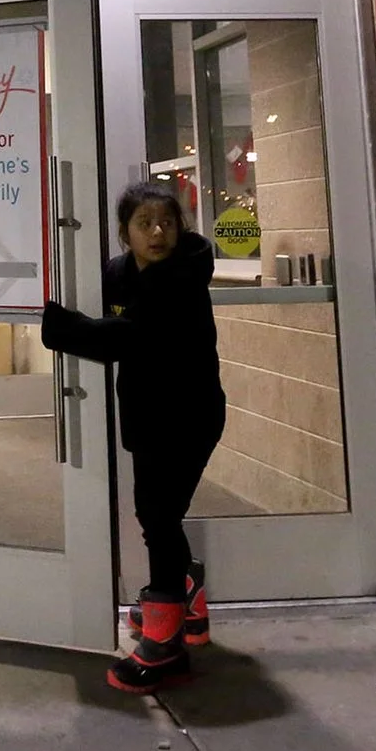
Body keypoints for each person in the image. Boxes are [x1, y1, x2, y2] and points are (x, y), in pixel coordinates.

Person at [40, 180, 225, 692]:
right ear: (125, 232)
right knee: (159, 514)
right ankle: (187, 599)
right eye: (145, 224)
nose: (159, 232)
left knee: (158, 515)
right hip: (146, 414)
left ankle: (165, 644)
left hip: (191, 416)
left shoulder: (186, 274)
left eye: (167, 222)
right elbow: (110, 322)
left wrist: (57, 326)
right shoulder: (118, 273)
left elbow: (129, 337)